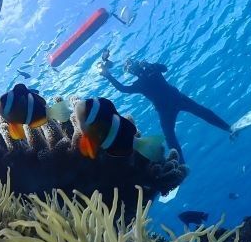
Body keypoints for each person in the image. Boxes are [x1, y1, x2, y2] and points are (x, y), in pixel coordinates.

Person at [97, 52, 233, 163]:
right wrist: (109, 75)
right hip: (175, 100)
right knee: (200, 113)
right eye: (131, 67)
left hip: (167, 107)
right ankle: (227, 128)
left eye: (131, 66)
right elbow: (163, 68)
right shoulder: (150, 72)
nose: (133, 68)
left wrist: (108, 75)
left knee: (172, 135)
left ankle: (180, 164)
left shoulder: (146, 76)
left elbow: (123, 88)